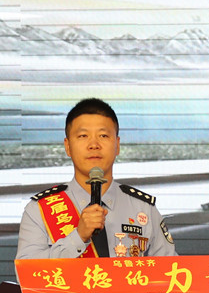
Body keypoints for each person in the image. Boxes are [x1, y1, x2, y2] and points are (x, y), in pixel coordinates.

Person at [16, 98, 176, 259]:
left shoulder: (143, 208)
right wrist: (78, 237)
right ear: (68, 146)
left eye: (103, 135)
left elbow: (171, 269)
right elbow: (27, 270)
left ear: (117, 145)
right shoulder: (39, 210)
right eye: (83, 135)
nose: (94, 144)